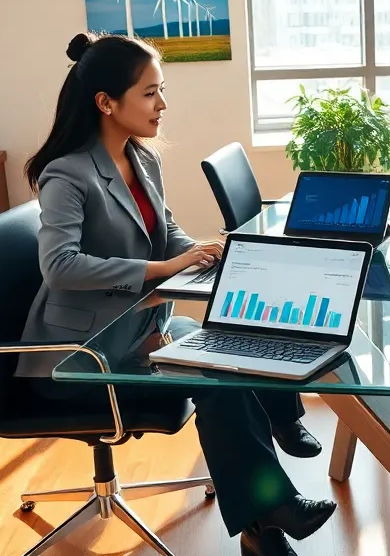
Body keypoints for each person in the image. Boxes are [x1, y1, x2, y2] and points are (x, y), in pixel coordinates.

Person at [17, 33, 336, 556]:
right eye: (149, 93)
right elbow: (59, 266)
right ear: (106, 102)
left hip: (141, 332)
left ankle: (268, 508)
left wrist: (212, 253)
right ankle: (269, 514)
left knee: (236, 341)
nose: (162, 105)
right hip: (83, 360)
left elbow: (166, 233)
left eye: (160, 91)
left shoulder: (143, 161)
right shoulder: (67, 174)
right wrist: (166, 267)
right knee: (215, 377)